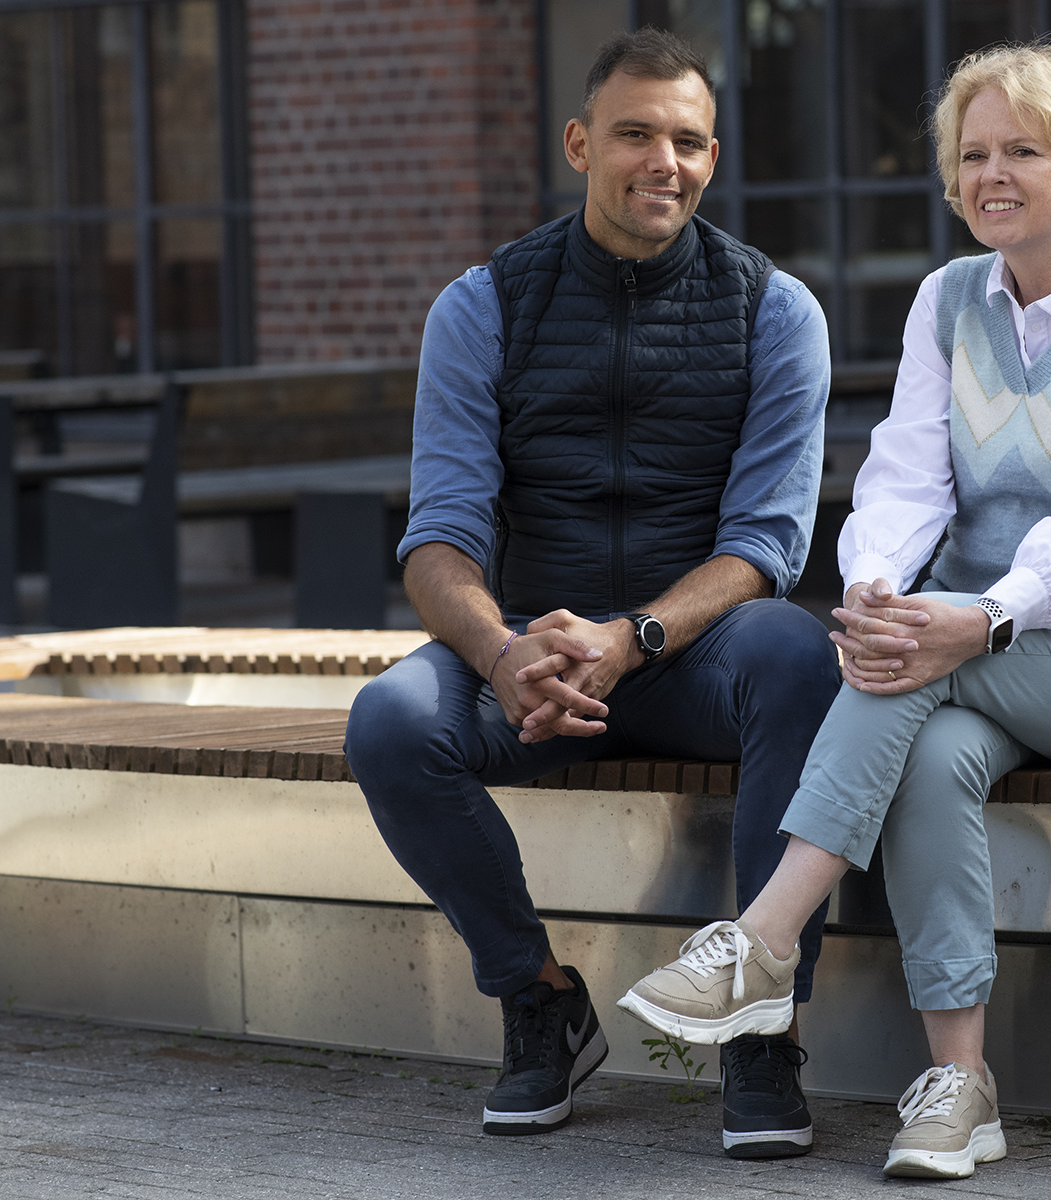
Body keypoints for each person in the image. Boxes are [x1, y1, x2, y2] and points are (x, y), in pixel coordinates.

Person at [616, 40, 1051, 1180]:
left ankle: (764, 936)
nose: (993, 174)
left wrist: (974, 618)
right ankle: (961, 1085)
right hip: (976, 647)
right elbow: (902, 476)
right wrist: (879, 593)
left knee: (916, 666)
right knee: (933, 748)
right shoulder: (948, 301)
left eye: (1024, 152)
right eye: (974, 154)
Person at [342, 29, 840, 1158]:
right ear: (579, 142)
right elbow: (438, 541)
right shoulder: (483, 306)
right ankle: (538, 997)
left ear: (712, 158)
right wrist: (501, 654)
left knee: (800, 658)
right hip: (536, 665)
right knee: (390, 721)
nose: (663, 160)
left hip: (693, 656)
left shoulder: (777, 311)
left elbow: (768, 541)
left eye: (688, 140)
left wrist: (637, 635)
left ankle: (763, 1025)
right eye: (634, 134)